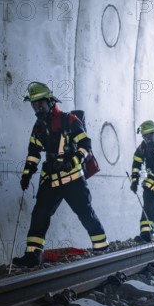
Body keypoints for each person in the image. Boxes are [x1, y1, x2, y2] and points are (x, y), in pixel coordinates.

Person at [14, 82, 108, 267]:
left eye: (40, 104)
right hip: (51, 181)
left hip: (73, 179)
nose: (37, 108)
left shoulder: (69, 120)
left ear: (50, 102)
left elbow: (85, 147)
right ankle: (33, 255)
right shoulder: (38, 127)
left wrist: (72, 161)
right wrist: (27, 174)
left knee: (85, 213)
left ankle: (101, 248)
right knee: (39, 214)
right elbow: (33, 154)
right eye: (34, 105)